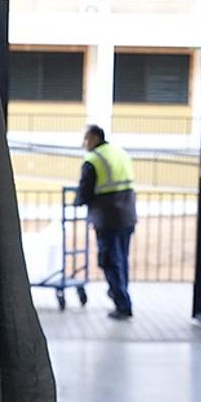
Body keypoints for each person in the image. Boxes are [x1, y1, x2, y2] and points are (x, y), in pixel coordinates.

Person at [75, 125, 138, 319]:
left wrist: (77, 201)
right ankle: (120, 295)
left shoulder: (94, 159)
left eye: (86, 139)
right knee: (121, 259)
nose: (84, 143)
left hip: (108, 217)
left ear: (94, 138)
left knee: (111, 261)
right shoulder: (119, 152)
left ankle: (122, 304)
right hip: (127, 214)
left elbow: (85, 189)